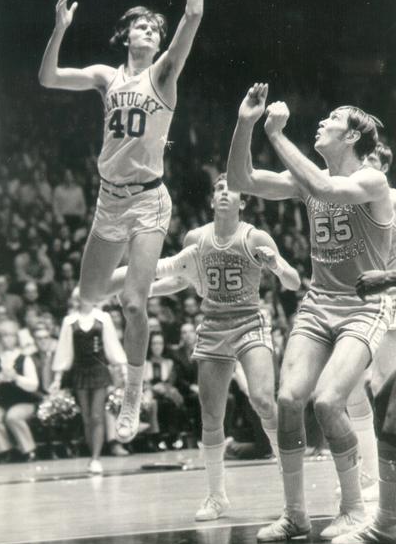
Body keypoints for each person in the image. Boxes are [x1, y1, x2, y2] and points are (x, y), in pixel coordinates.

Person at [38, 0, 216, 444]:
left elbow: (194, 15)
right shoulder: (105, 77)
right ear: (126, 35)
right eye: (141, 27)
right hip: (107, 201)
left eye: (154, 30)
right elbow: (48, 78)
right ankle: (166, 269)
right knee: (87, 296)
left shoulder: (162, 76)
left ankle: (133, 395)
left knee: (134, 304)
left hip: (147, 202)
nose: (149, 32)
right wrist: (59, 27)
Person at [227, 84, 393, 543]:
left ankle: (355, 509)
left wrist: (276, 135)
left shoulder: (372, 181)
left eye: (332, 120)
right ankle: (295, 514)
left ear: (352, 137)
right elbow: (241, 179)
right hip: (319, 303)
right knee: (287, 401)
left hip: (363, 307)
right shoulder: (310, 178)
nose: (321, 123)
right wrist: (246, 123)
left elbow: (325, 186)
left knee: (328, 401)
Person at [108, 173, 300, 519]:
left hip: (249, 322)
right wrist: (141, 291)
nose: (225, 194)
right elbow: (181, 280)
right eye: (219, 190)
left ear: (244, 202)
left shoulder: (255, 236)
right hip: (212, 325)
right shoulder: (197, 238)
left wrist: (276, 265)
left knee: (262, 399)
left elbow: (294, 281)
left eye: (233, 191)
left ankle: (287, 479)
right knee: (211, 417)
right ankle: (217, 496)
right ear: (212, 200)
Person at [344, 142, 396, 503]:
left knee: (384, 391)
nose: (365, 166)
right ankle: (373, 471)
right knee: (352, 391)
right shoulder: (350, 204)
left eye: (372, 161)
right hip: (363, 302)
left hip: (391, 299)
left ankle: (382, 482)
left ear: (384, 167)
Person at [50, 299, 127, 474]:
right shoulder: (69, 321)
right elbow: (64, 350)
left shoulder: (103, 318)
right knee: (86, 418)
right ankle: (92, 456)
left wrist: (123, 370)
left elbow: (112, 345)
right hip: (80, 372)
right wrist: (57, 378)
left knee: (97, 415)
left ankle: (95, 458)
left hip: (99, 371)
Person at [0, 320, 39, 462]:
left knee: (12, 416)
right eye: (4, 336)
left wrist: (16, 378)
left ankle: (29, 449)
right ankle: (5, 450)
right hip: (2, 401)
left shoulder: (24, 359)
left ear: (16, 338)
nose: (8, 339)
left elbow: (34, 385)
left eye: (11, 335)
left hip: (24, 401)